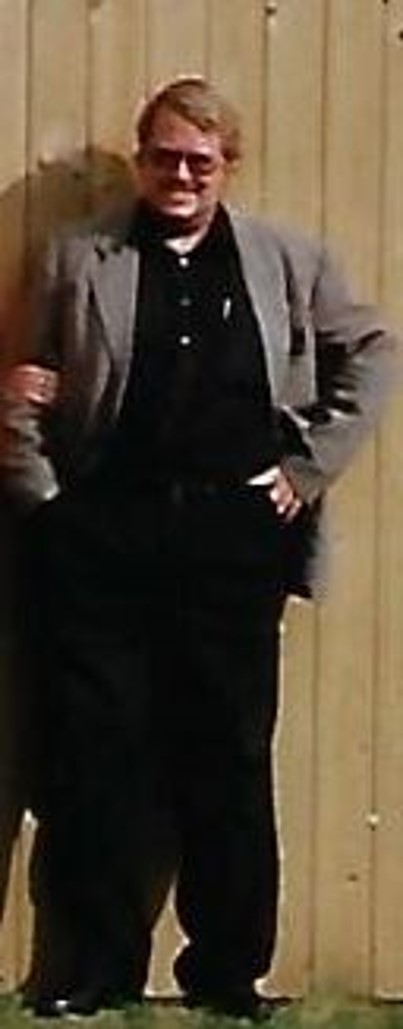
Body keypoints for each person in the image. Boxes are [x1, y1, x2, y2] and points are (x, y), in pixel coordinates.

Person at [1, 76, 397, 1019]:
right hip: (103, 536)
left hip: (232, 542)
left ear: (228, 166)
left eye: (199, 162)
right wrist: (44, 501)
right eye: (164, 158)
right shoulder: (77, 257)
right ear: (140, 160)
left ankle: (227, 972)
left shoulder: (284, 260)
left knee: (228, 756)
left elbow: (374, 349)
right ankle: (95, 970)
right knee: (96, 756)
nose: (180, 176)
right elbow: (24, 387)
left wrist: (306, 469)